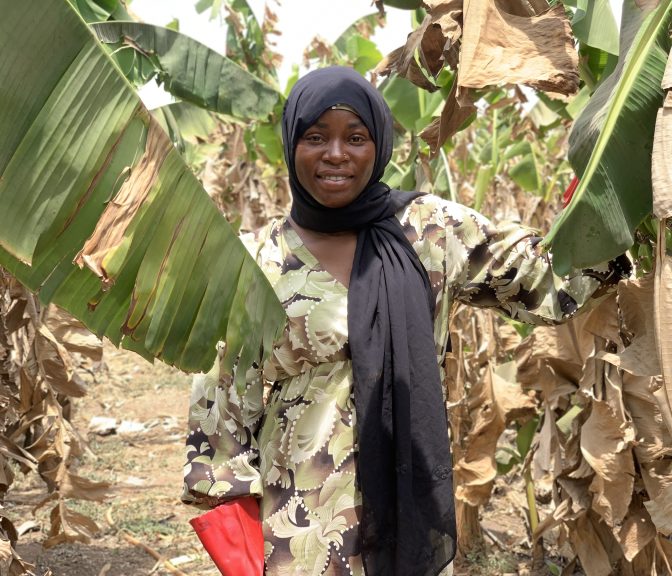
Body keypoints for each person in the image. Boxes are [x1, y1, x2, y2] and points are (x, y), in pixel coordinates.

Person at [181, 66, 627, 576]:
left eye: (355, 137)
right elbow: (220, 413)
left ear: (379, 145)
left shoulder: (429, 233)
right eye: (315, 137)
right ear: (290, 145)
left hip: (408, 520)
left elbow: (545, 280)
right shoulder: (257, 262)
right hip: (295, 536)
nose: (335, 154)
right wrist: (239, 547)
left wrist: (611, 189)